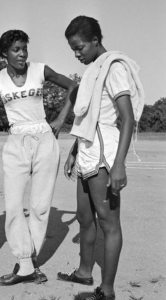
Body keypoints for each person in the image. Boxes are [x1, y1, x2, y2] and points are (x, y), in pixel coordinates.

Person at [0, 29, 77, 286]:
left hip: (44, 137)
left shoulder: (40, 70)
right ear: (4, 54)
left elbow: (73, 86)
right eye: (16, 50)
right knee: (12, 207)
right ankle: (25, 262)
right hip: (15, 143)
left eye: (24, 48)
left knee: (40, 208)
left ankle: (26, 266)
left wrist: (61, 119)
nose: (22, 54)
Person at [57, 16, 144, 300]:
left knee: (108, 223)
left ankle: (107, 290)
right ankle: (84, 272)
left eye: (79, 47)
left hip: (105, 154)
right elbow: (86, 118)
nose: (77, 53)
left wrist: (119, 164)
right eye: (73, 49)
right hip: (86, 149)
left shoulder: (114, 67)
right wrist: (73, 151)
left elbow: (128, 118)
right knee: (84, 217)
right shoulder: (94, 69)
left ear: (95, 40)